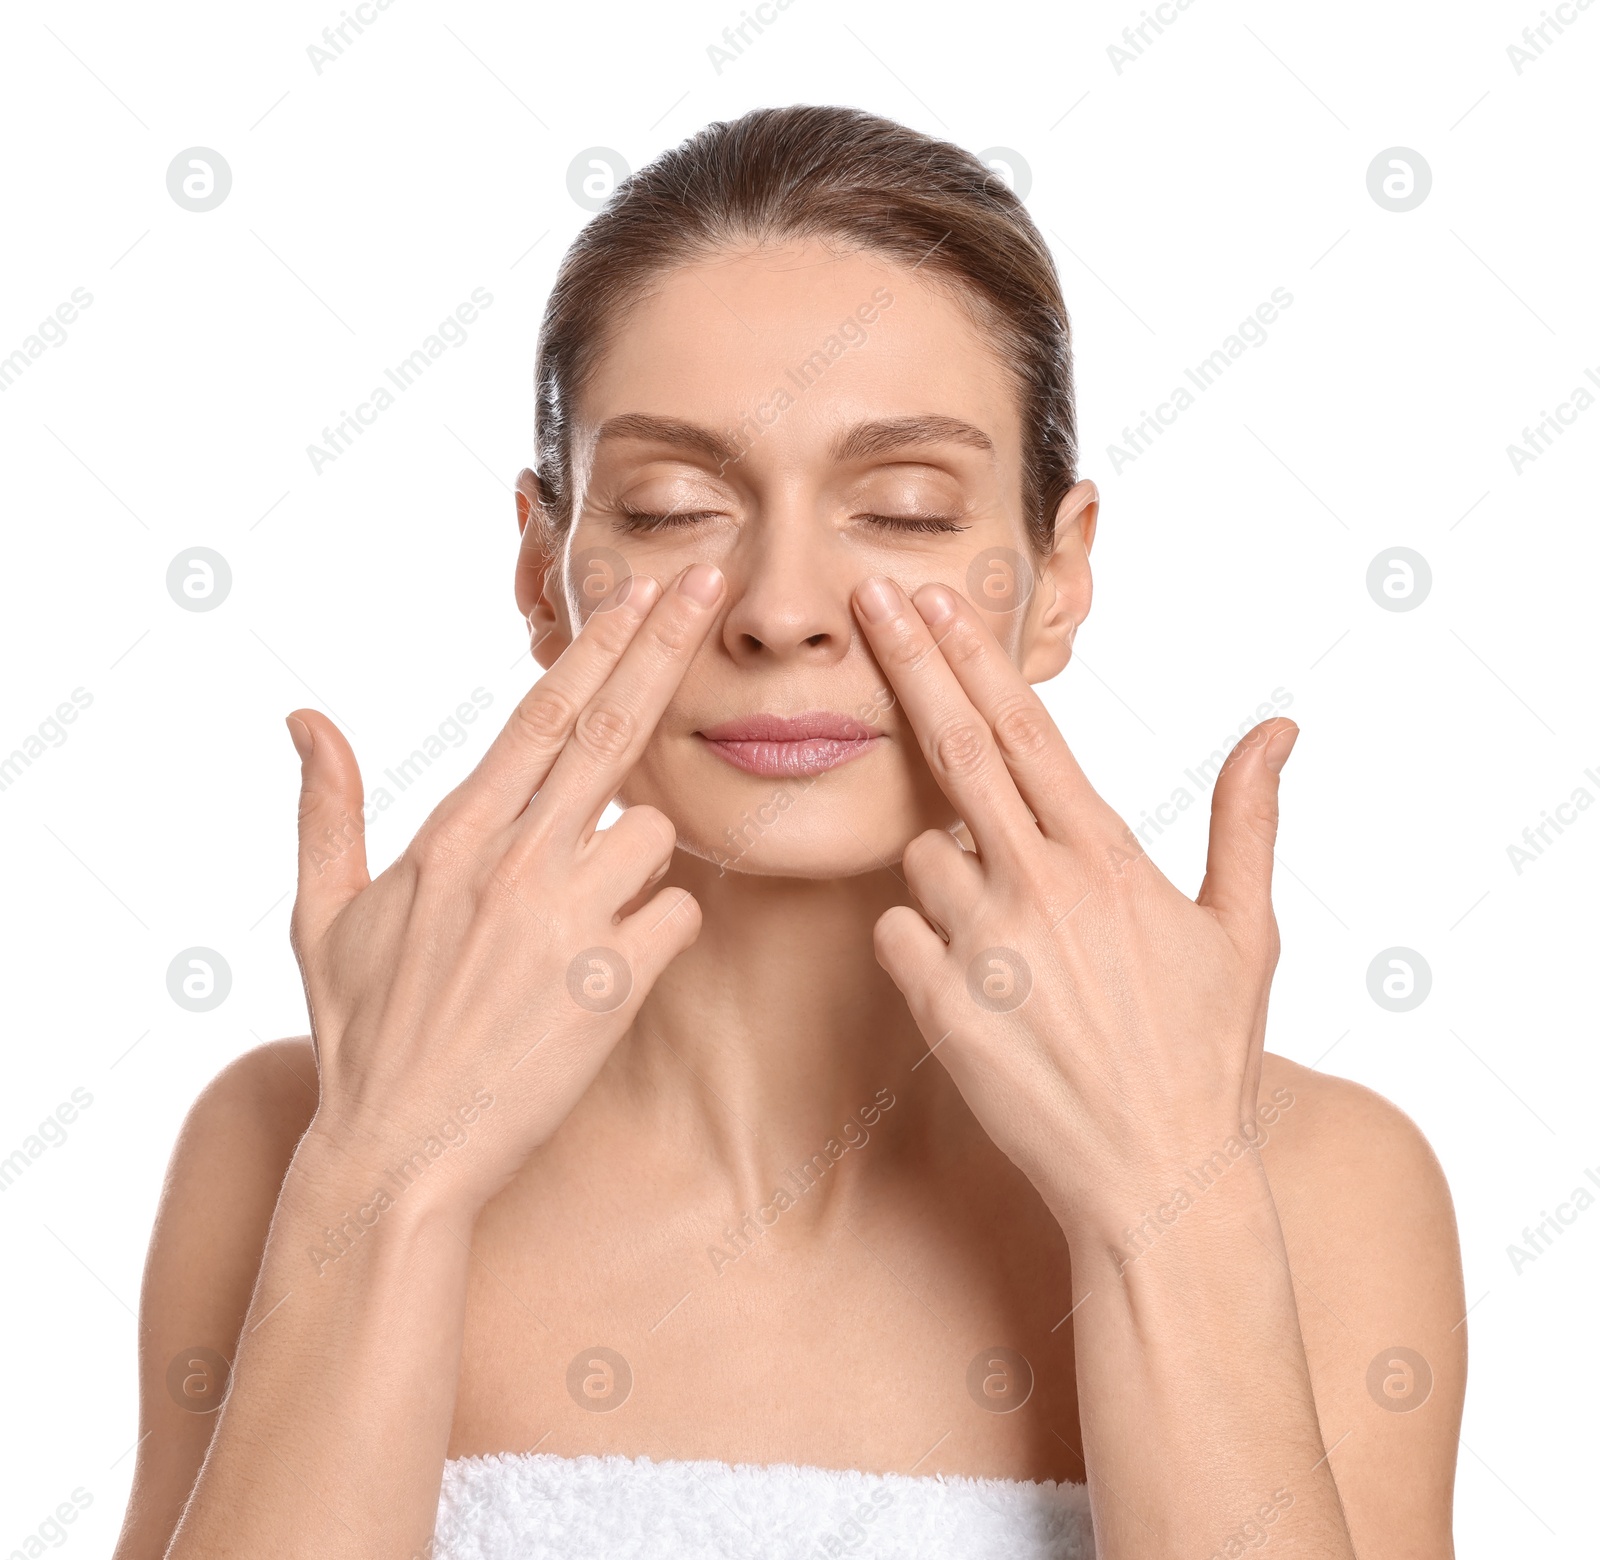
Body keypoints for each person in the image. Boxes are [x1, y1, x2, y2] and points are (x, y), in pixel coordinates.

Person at [112, 105, 1464, 1560]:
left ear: (1059, 579)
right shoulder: (280, 1142)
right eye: (675, 506)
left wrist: (1166, 1194)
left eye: (902, 509)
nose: (779, 607)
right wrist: (381, 1174)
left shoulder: (1324, 1181)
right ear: (543, 572)